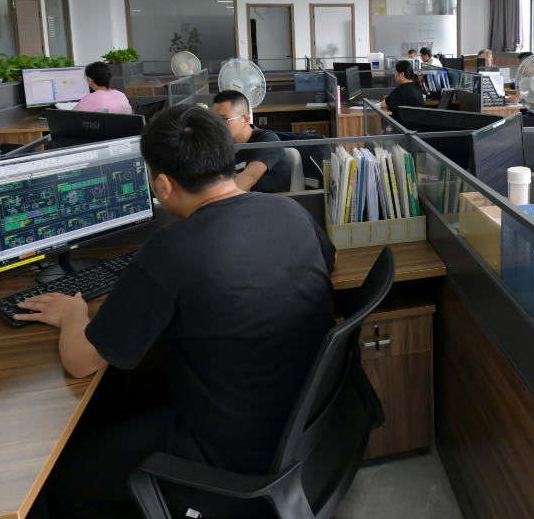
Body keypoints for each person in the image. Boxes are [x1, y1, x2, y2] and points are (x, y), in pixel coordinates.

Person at [18, 104, 336, 519]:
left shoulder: (170, 250)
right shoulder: (290, 211)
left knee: (62, 478)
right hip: (298, 426)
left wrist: (71, 314)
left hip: (227, 455)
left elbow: (80, 362)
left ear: (164, 185)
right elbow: (327, 262)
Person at [210, 89, 292, 193]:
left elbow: (250, 177)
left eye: (224, 119)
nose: (216, 125)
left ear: (245, 120)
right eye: (213, 119)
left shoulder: (267, 141)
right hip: (237, 200)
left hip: (270, 200)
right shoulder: (217, 144)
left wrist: (214, 200)